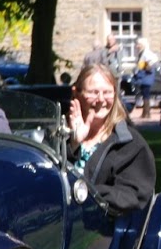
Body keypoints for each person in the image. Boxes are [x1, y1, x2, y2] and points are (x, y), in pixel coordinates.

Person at [66, 63, 156, 213]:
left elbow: (131, 195)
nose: (101, 99)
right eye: (94, 92)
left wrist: (86, 194)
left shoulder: (129, 143)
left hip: (103, 223)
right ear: (76, 93)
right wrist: (73, 144)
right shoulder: (59, 135)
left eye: (107, 92)